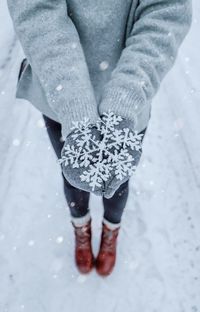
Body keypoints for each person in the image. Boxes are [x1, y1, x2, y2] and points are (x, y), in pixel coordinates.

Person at [8, 0, 192, 276]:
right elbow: (36, 10)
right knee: (73, 173)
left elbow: (166, 11)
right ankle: (81, 226)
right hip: (59, 97)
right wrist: (75, 106)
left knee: (117, 179)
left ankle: (111, 229)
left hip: (128, 99)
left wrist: (125, 99)